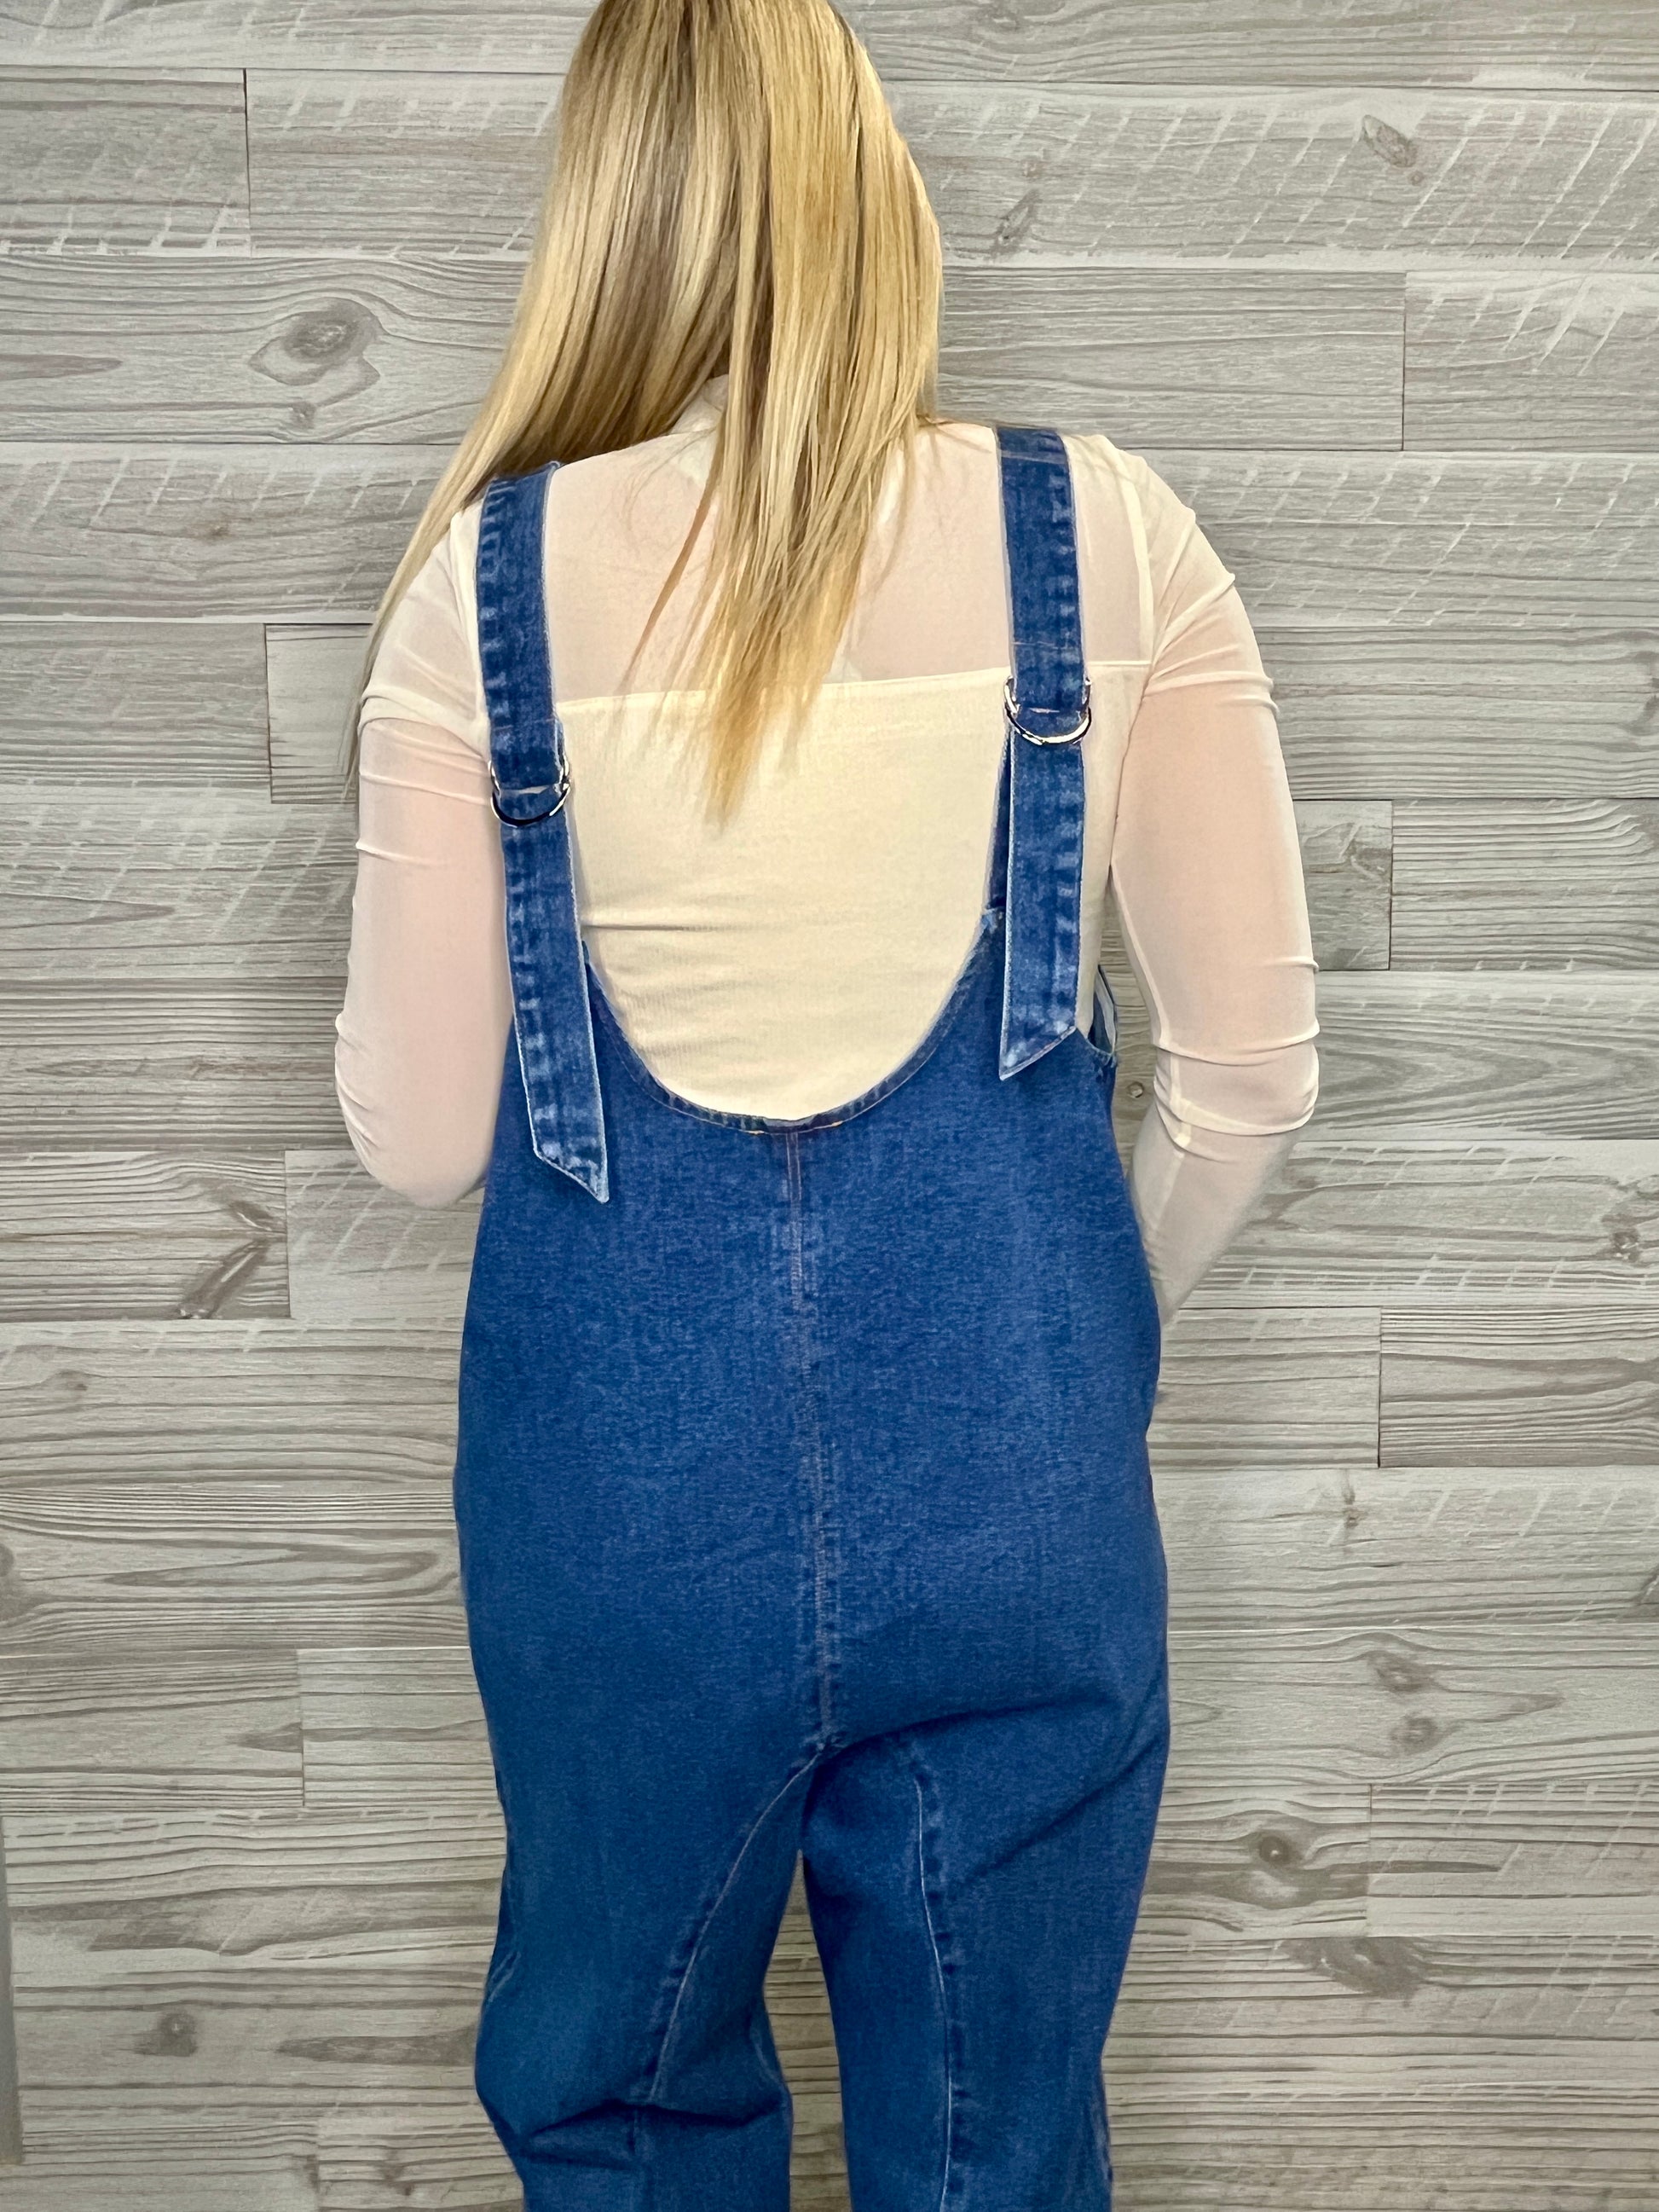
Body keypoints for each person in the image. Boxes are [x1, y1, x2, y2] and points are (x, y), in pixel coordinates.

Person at [335, 1, 1319, 2203]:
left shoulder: (480, 591)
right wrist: (1054, 1351)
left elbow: (420, 1134)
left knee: (624, 2105)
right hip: (1020, 1499)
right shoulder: (1109, 540)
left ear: (609, 219)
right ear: (872, 189)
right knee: (993, 2138)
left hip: (618, 1528)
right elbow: (1251, 1083)